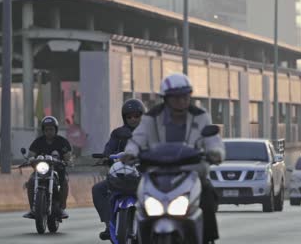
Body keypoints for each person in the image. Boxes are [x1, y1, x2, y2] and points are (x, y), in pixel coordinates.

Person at [123, 73, 225, 244]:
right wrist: (130, 152)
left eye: (185, 96)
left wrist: (215, 152)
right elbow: (137, 139)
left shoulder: (201, 116)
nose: (181, 101)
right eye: (176, 97)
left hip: (191, 171)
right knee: (139, 200)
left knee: (207, 194)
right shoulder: (151, 117)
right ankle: (136, 238)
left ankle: (207, 240)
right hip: (156, 172)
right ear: (166, 98)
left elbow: (213, 141)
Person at [92, 99, 145, 240]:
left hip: (143, 175)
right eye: (129, 116)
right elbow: (109, 148)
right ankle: (108, 224)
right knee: (98, 189)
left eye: (136, 116)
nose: (133, 119)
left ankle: (153, 225)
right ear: (124, 118)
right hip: (121, 175)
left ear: (142, 116)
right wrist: (106, 156)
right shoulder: (118, 133)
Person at [23, 116, 73, 219]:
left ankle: (61, 208)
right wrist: (30, 159)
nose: (49, 132)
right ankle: (33, 208)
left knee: (64, 182)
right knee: (31, 181)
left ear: (56, 130)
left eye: (51, 129)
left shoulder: (62, 142)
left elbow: (68, 156)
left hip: (58, 171)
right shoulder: (38, 142)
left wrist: (68, 161)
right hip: (41, 171)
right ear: (43, 131)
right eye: (46, 129)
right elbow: (31, 155)